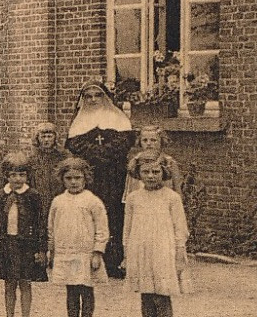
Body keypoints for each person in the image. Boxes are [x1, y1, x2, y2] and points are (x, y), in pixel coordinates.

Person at [64, 82, 135, 277]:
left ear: (105, 97)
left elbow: (124, 143)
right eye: (89, 96)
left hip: (114, 176)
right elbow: (75, 145)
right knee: (88, 216)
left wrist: (102, 153)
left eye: (98, 95)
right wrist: (99, 154)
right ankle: (86, 260)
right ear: (83, 100)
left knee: (114, 215)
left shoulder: (117, 118)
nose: (93, 99)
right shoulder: (79, 122)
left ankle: (113, 262)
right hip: (91, 178)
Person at [123, 153, 190, 317]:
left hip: (164, 250)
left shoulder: (171, 198)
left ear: (163, 172)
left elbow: (181, 229)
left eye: (155, 172)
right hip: (140, 249)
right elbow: (128, 228)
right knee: (146, 295)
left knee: (162, 296)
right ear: (138, 173)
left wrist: (179, 253)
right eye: (146, 172)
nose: (151, 176)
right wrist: (127, 253)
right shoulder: (134, 198)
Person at [47, 156, 110, 317]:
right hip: (65, 252)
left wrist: (97, 252)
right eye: (69, 178)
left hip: (86, 254)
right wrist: (52, 250)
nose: (74, 182)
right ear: (62, 179)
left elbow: (102, 229)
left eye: (78, 178)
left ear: (85, 178)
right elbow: (52, 228)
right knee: (71, 290)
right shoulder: (58, 201)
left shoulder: (92, 201)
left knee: (86, 290)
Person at [0, 152, 48, 317]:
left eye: (22, 175)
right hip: (6, 243)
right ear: (6, 176)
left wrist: (41, 249)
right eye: (13, 175)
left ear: (27, 176)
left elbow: (40, 223)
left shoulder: (33, 196)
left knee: (25, 282)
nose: (17, 179)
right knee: (9, 282)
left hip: (26, 245)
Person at [125, 125, 185, 196]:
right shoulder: (135, 162)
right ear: (140, 142)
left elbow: (177, 191)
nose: (148, 143)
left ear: (161, 141)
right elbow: (130, 192)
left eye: (153, 140)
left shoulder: (169, 162)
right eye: (145, 140)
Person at [28, 122, 66, 201]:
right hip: (39, 200)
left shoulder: (63, 158)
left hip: (58, 198)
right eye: (43, 136)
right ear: (38, 138)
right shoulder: (32, 159)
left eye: (49, 136)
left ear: (55, 138)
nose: (46, 140)